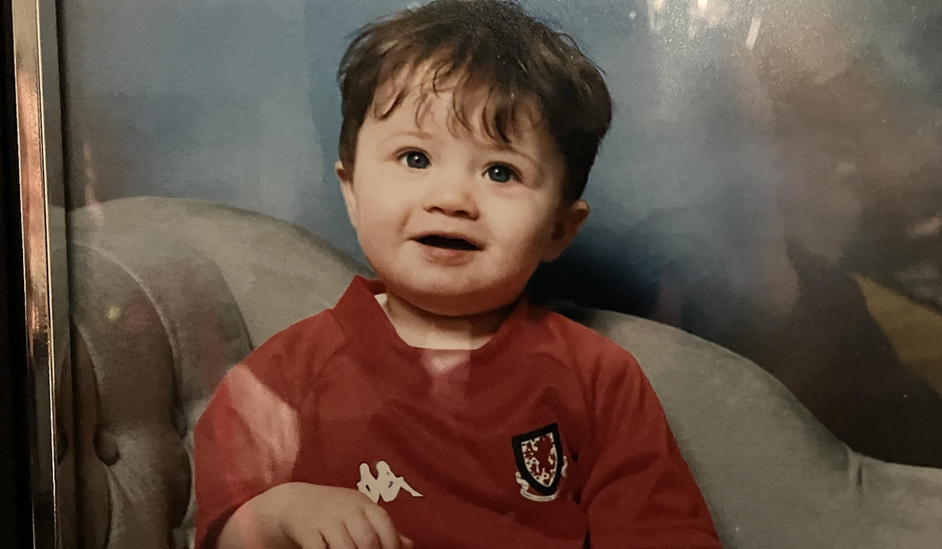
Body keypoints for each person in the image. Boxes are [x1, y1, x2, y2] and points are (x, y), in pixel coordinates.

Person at [193, 1, 721, 548]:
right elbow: (222, 532)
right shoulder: (285, 373)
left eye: (501, 171)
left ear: (560, 229)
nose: (451, 199)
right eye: (415, 159)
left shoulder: (598, 378)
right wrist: (281, 512)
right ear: (351, 191)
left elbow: (663, 533)